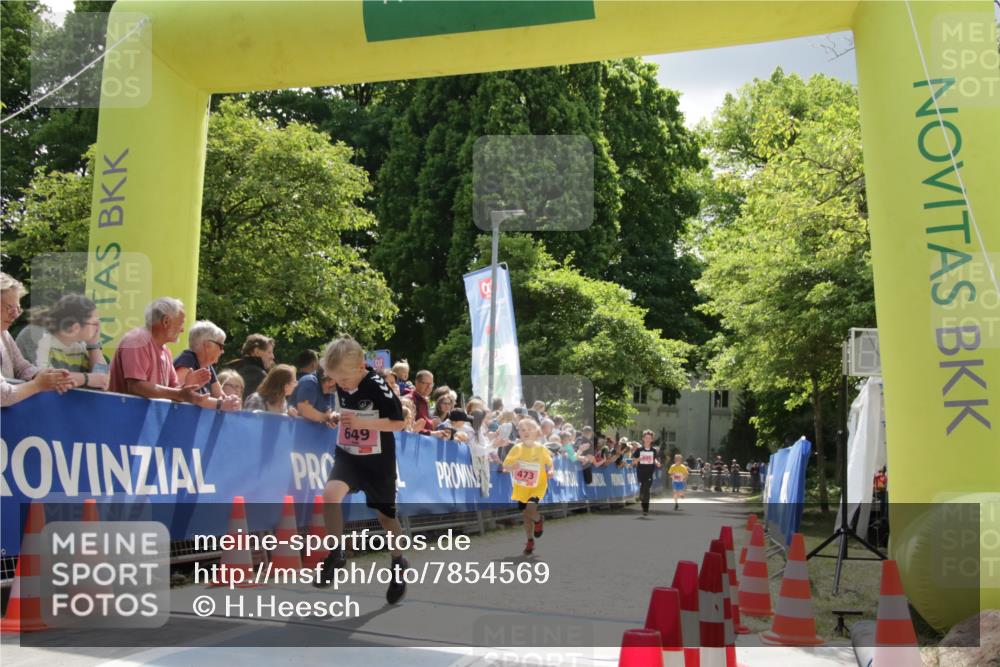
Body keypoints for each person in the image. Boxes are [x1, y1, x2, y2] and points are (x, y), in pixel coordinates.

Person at [313, 335, 410, 604]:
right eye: (336, 380)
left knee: (386, 518)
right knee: (330, 495)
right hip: (349, 454)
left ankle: (398, 560)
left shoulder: (378, 386)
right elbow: (347, 410)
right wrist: (336, 417)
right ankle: (336, 554)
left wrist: (363, 423)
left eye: (344, 380)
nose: (340, 385)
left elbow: (398, 423)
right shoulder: (343, 381)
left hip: (378, 461)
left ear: (360, 368)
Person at [108, 297, 240, 412]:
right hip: (122, 419)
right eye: (181, 323)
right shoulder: (137, 340)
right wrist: (182, 393)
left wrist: (188, 387)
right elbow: (136, 387)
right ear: (166, 321)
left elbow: (174, 392)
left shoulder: (165, 351)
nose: (182, 330)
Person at [1, 273, 74, 406]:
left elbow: (21, 367)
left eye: (18, 308)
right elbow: (3, 395)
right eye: (10, 308)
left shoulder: (3, 333)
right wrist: (38, 384)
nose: (16, 315)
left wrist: (48, 376)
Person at [34, 293, 110, 390]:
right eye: (95, 323)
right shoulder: (38, 336)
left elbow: (103, 382)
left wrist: (94, 345)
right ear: (75, 328)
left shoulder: (82, 346)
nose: (98, 328)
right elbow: (43, 379)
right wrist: (87, 378)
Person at [502, 418, 554, 555]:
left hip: (538, 486)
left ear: (536, 431)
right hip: (522, 488)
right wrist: (513, 466)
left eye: (529, 429)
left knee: (530, 509)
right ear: (518, 432)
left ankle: (538, 519)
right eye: (522, 429)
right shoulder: (517, 449)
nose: (525, 432)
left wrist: (550, 471)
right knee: (526, 515)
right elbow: (505, 467)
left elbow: (550, 463)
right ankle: (530, 540)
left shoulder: (541, 448)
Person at [173, 320, 228, 398]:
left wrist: (232, 400)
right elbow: (175, 393)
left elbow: (220, 396)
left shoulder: (207, 366)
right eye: (221, 346)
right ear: (207, 345)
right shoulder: (188, 360)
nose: (222, 351)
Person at [225, 333, 275, 399]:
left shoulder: (235, 367)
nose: (272, 356)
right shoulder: (257, 374)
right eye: (269, 352)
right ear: (256, 351)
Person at [632, 430, 661, 516]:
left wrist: (657, 462)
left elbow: (654, 459)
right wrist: (639, 459)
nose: (648, 440)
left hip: (649, 473)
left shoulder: (653, 450)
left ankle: (646, 509)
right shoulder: (639, 450)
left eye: (650, 438)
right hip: (641, 472)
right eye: (646, 438)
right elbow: (633, 461)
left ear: (652, 440)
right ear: (643, 439)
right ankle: (641, 498)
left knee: (646, 490)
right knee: (642, 493)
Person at [409, 369, 434, 434]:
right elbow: (408, 427)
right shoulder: (410, 400)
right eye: (425, 383)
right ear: (416, 382)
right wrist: (431, 433)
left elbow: (431, 419)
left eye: (431, 384)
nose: (429, 387)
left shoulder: (430, 401)